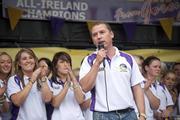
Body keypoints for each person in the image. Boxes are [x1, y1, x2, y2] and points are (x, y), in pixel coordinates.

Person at [79, 22, 146, 120]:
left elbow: (137, 87)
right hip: (102, 115)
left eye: (102, 32)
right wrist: (97, 63)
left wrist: (142, 114)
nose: (99, 37)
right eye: (95, 35)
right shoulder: (89, 60)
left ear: (111, 34)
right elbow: (85, 87)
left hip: (128, 114)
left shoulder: (128, 58)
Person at [7, 48, 52, 120]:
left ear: (34, 60)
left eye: (31, 58)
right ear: (19, 63)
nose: (28, 61)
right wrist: (32, 80)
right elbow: (17, 102)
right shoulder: (14, 79)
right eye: (24, 59)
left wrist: (43, 78)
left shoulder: (43, 78)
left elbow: (47, 99)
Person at [50, 52, 85, 120]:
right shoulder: (51, 82)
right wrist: (67, 84)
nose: (66, 64)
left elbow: (80, 100)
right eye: (62, 62)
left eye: (68, 62)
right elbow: (55, 103)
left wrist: (72, 77)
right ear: (55, 65)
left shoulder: (75, 82)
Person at [0, 52, 13, 120]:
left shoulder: (14, 81)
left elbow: (6, 110)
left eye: (9, 62)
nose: (6, 65)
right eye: (2, 62)